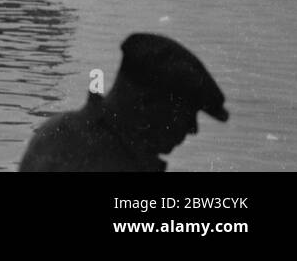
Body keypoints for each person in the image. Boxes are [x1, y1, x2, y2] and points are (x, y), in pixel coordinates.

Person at [19, 33, 228, 172]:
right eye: (186, 114)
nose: (193, 129)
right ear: (147, 104)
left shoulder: (61, 132)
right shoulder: (106, 161)